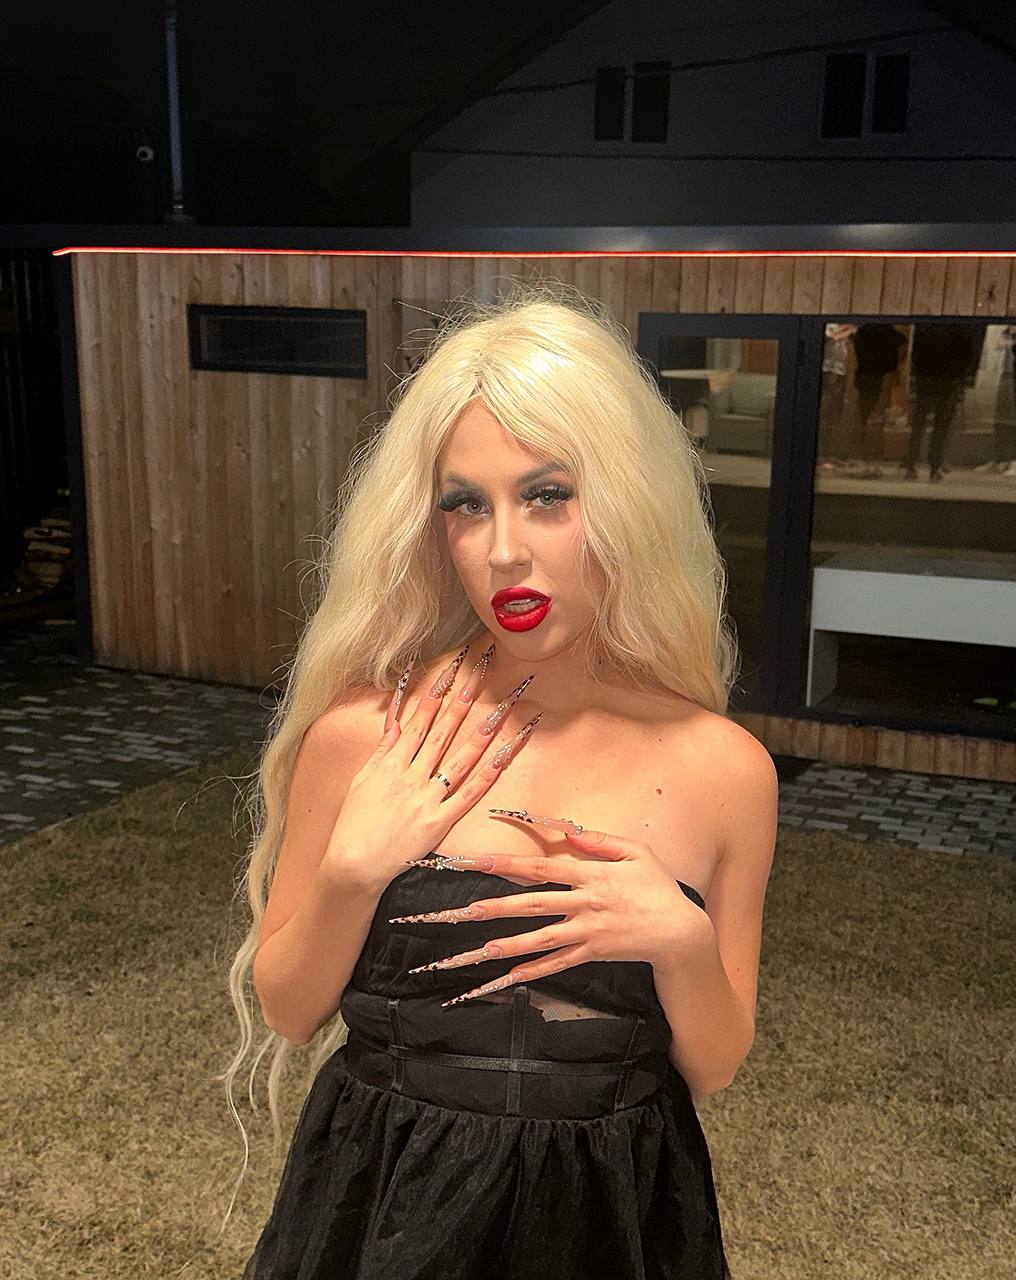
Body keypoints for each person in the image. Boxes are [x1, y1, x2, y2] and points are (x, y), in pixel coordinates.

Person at [223, 281, 777, 1279]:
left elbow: (715, 1062)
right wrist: (351, 872)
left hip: (611, 1211)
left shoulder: (722, 768)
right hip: (384, 1198)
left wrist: (681, 940)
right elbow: (288, 1009)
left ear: (628, 500)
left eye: (546, 495)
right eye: (465, 505)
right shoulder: (364, 738)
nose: (503, 550)